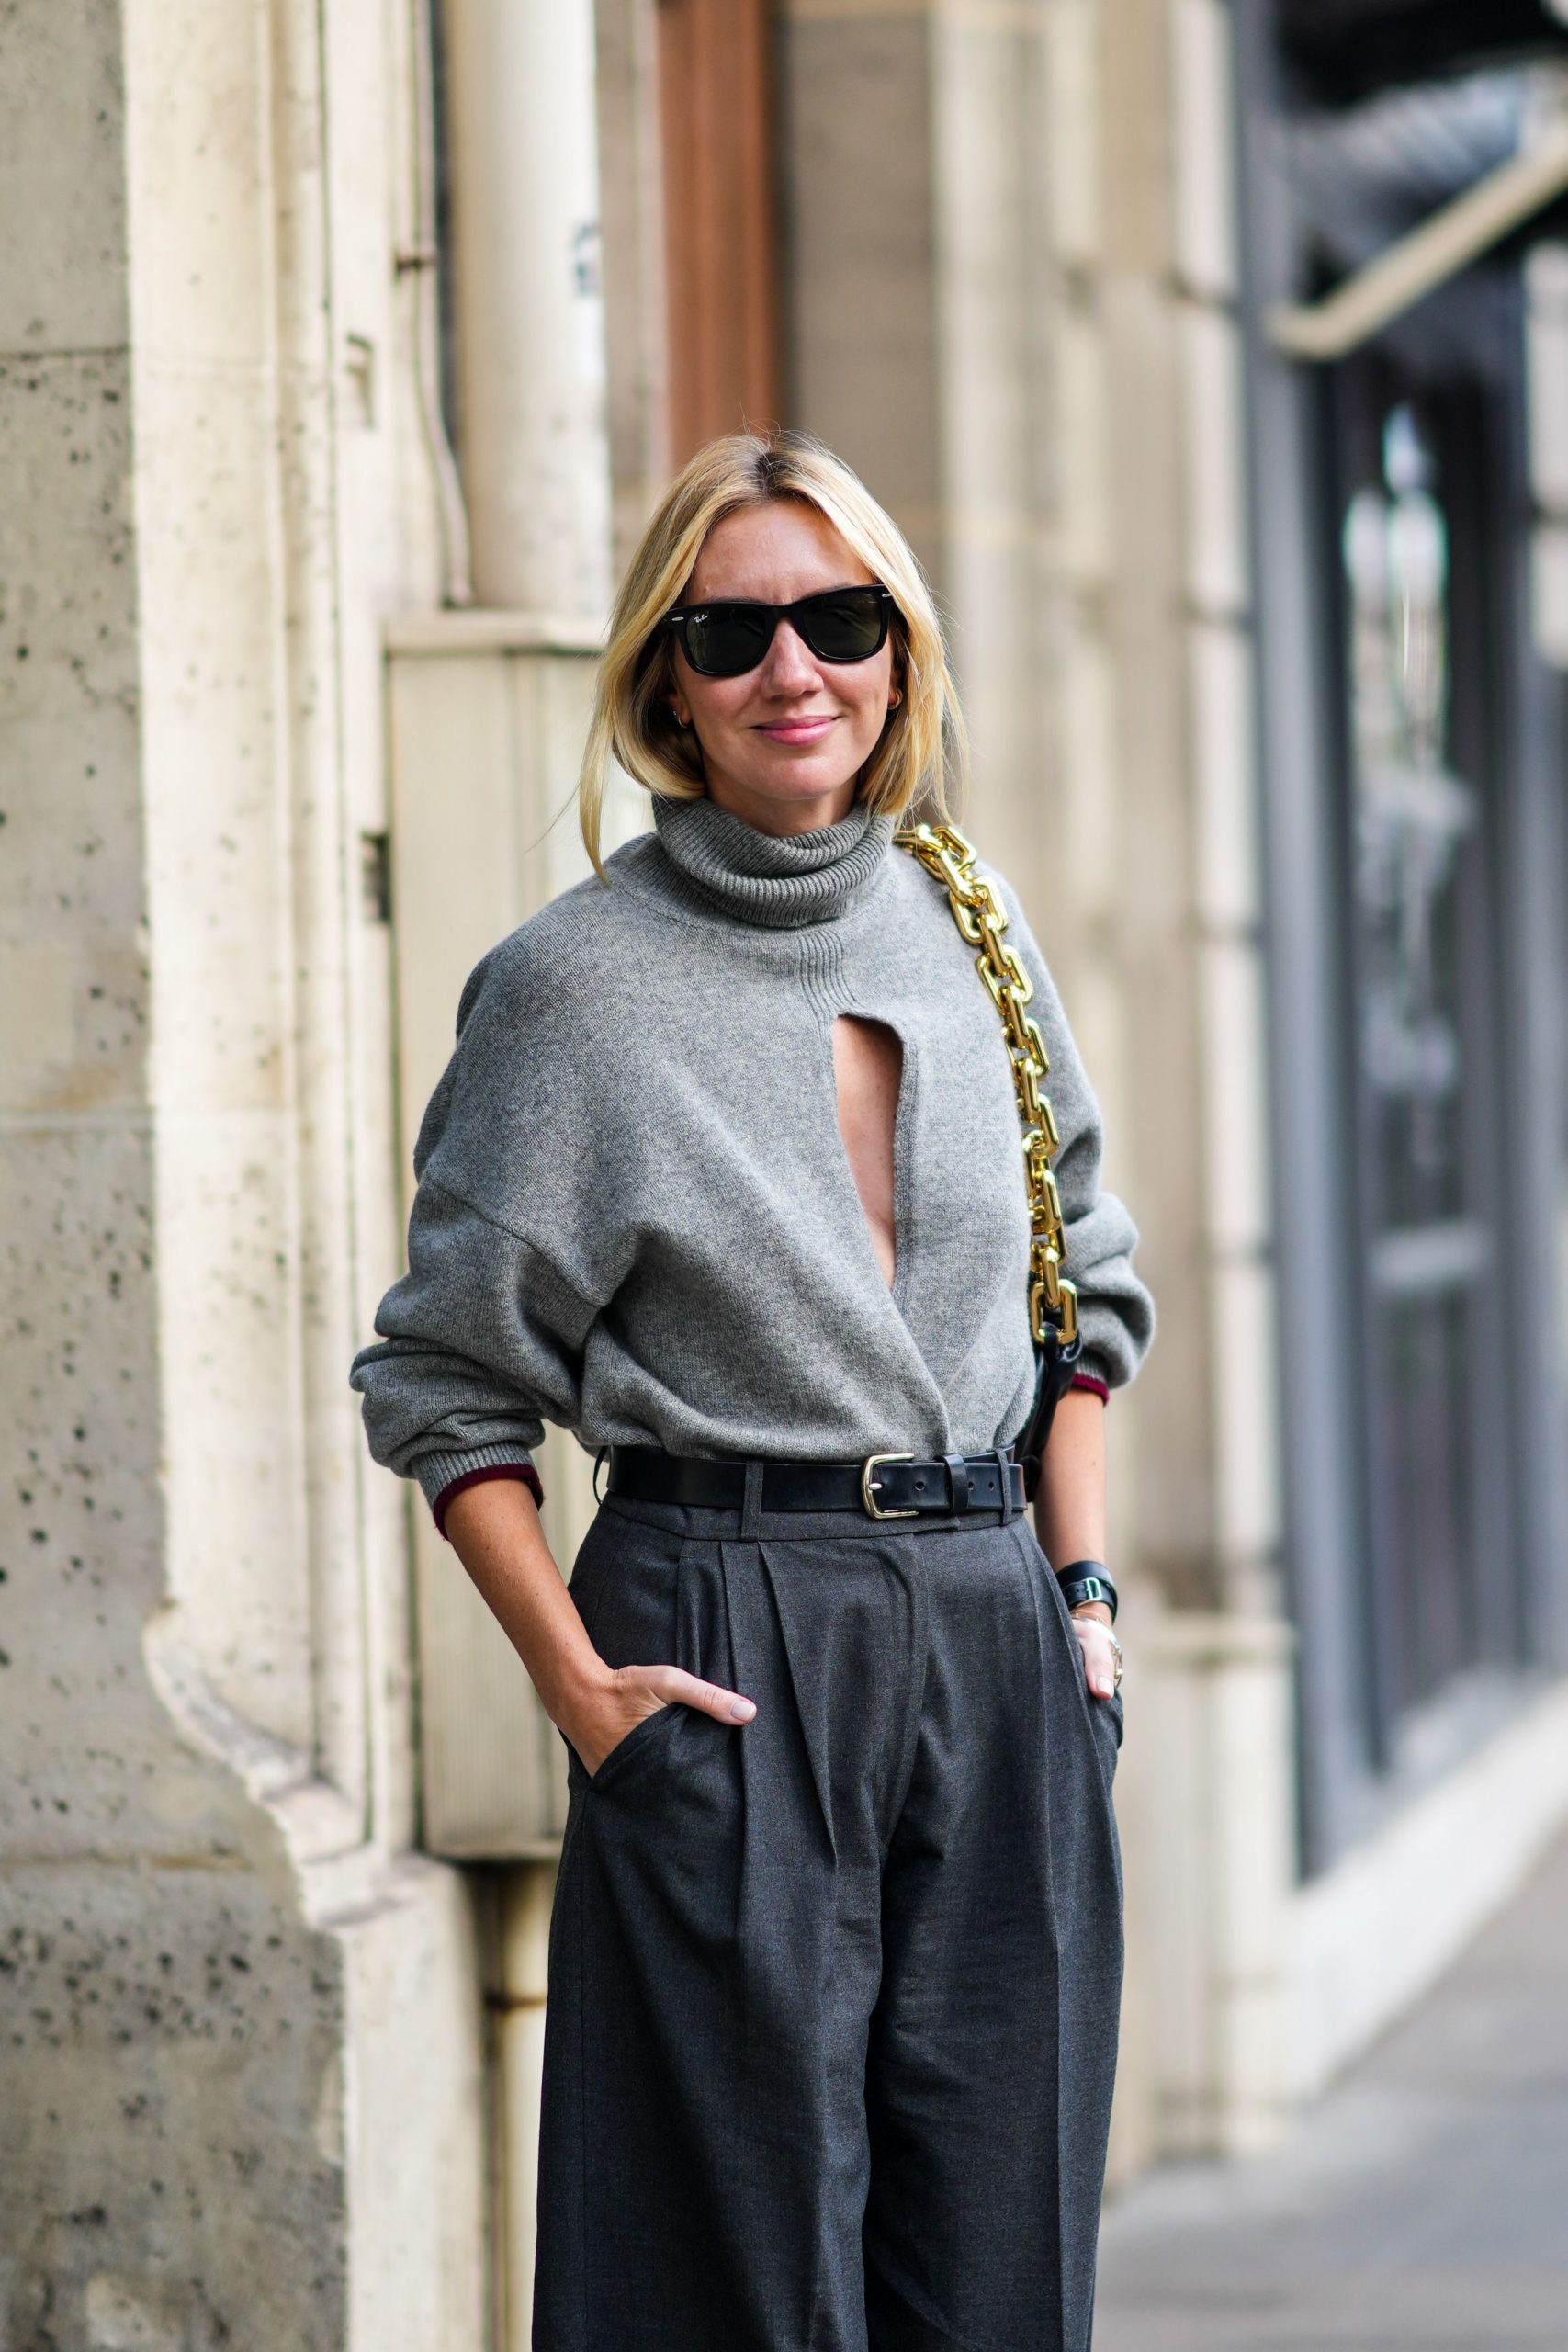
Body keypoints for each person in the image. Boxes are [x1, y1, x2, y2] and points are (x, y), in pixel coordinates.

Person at [351, 429, 1154, 2352]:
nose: (794, 669)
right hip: (720, 1629)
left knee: (1002, 2259)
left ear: (897, 649)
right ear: (666, 685)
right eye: (731, 633)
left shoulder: (968, 916)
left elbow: (1083, 1290)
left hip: (996, 1631)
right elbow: (446, 1379)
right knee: (735, 2277)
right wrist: (579, 1689)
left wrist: (1080, 1596)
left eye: (838, 619)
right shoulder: (572, 987)